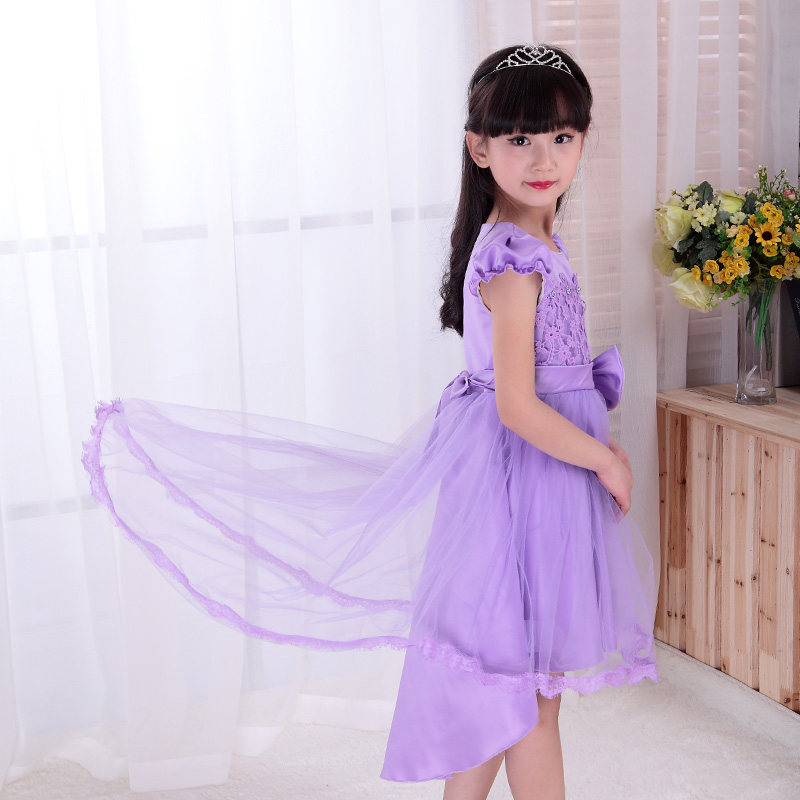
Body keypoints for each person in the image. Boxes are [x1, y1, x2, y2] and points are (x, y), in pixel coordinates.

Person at [82, 42, 659, 800]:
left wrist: (599, 445)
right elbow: (519, 405)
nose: (544, 158)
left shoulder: (536, 241)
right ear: (479, 148)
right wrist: (606, 459)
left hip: (539, 481)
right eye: (519, 137)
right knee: (531, 695)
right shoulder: (516, 260)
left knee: (511, 685)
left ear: (583, 139)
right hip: (523, 483)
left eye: (562, 136)